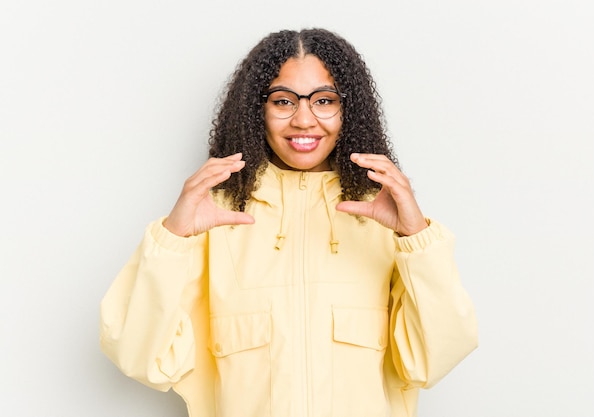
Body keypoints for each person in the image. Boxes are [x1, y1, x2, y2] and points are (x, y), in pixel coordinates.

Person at [99, 28, 478, 417]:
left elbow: (434, 360)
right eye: (283, 101)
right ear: (256, 109)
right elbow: (139, 355)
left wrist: (415, 237)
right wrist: (173, 238)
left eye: (324, 100)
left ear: (349, 109)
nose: (303, 120)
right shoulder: (215, 216)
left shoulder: (384, 218)